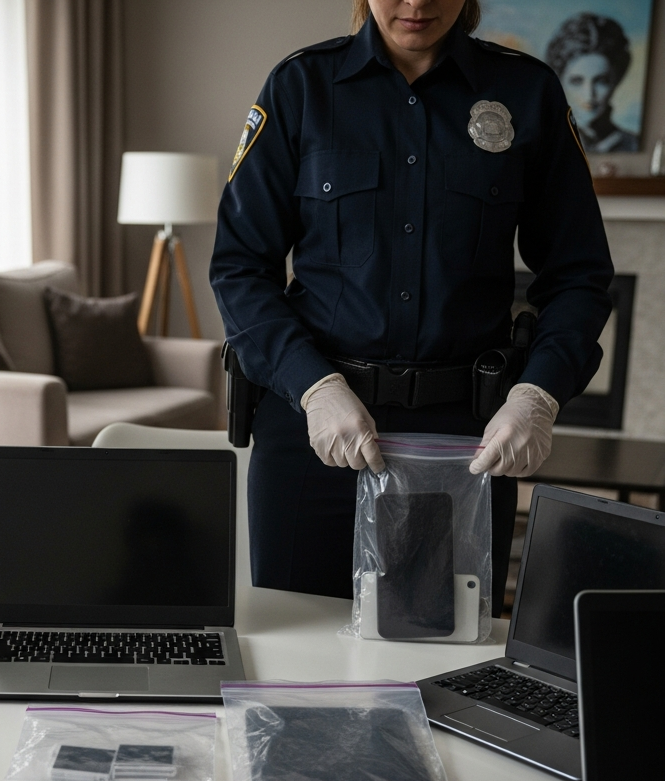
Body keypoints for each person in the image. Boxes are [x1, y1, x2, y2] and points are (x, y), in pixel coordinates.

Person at [210, 0, 613, 608]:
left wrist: (539, 394)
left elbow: (579, 274)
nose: (417, 3)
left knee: (438, 651)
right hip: (314, 431)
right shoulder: (301, 86)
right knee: (293, 650)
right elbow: (240, 267)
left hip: (462, 444)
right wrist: (312, 386)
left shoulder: (527, 92)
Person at [546, 13, 639, 154]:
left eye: (601, 81)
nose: (589, 95)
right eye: (577, 81)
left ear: (615, 80)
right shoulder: (541, 144)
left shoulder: (632, 144)